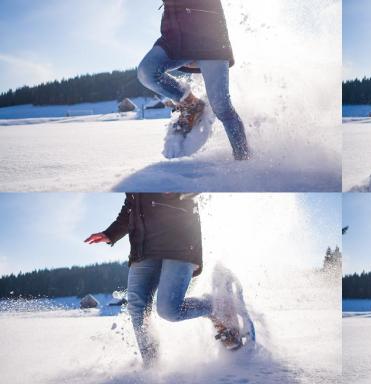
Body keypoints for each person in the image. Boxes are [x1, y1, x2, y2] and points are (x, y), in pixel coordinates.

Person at [84, 193, 242, 367]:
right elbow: (131, 206)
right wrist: (110, 233)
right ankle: (153, 369)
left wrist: (177, 190)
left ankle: (216, 306)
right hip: (143, 248)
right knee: (137, 308)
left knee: (169, 310)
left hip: (178, 241)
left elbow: (193, 185)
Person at [137, 0, 249, 160]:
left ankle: (243, 158)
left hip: (210, 38)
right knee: (147, 72)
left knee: (221, 106)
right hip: (176, 37)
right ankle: (191, 104)